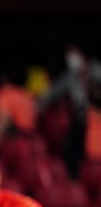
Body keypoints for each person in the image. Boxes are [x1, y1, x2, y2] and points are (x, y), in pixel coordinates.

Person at [39, 45, 101, 179]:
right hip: (81, 121)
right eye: (68, 55)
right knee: (72, 147)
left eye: (74, 53)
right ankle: (75, 179)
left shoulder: (97, 71)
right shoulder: (70, 77)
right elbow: (51, 93)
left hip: (97, 118)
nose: (71, 58)